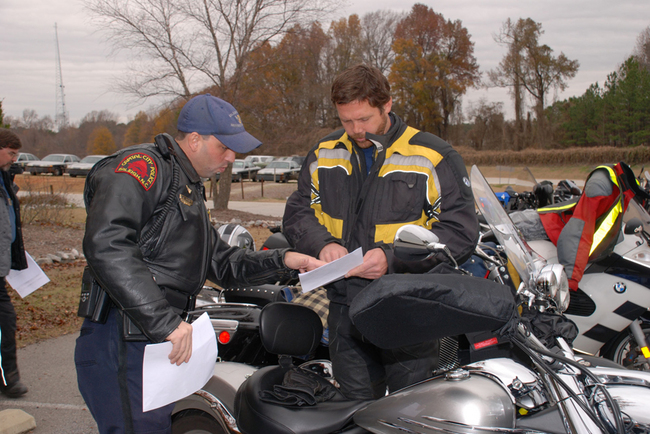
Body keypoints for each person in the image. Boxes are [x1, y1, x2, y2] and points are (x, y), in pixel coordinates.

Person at [74, 94, 324, 434]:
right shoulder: (144, 168)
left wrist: (285, 260)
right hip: (124, 336)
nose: (232, 157)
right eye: (224, 147)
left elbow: (223, 263)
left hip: (151, 336)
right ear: (195, 140)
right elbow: (107, 244)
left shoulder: (185, 185)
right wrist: (165, 323)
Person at [282, 65, 479, 400]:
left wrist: (392, 259)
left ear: (387, 104)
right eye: (346, 121)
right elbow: (298, 212)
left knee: (410, 407)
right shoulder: (324, 152)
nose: (356, 130)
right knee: (355, 410)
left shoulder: (432, 155)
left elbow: (460, 232)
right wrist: (323, 243)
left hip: (407, 307)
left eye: (364, 119)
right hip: (345, 307)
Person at [538, 162, 650, 291]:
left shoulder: (622, 189)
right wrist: (570, 278)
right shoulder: (602, 186)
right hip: (547, 227)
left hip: (559, 229)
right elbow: (579, 229)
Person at [0, 129, 29, 398]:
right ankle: (8, 379)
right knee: (4, 322)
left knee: (6, 323)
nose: (13, 159)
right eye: (10, 153)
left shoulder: (5, 178)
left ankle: (8, 378)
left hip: (2, 266)